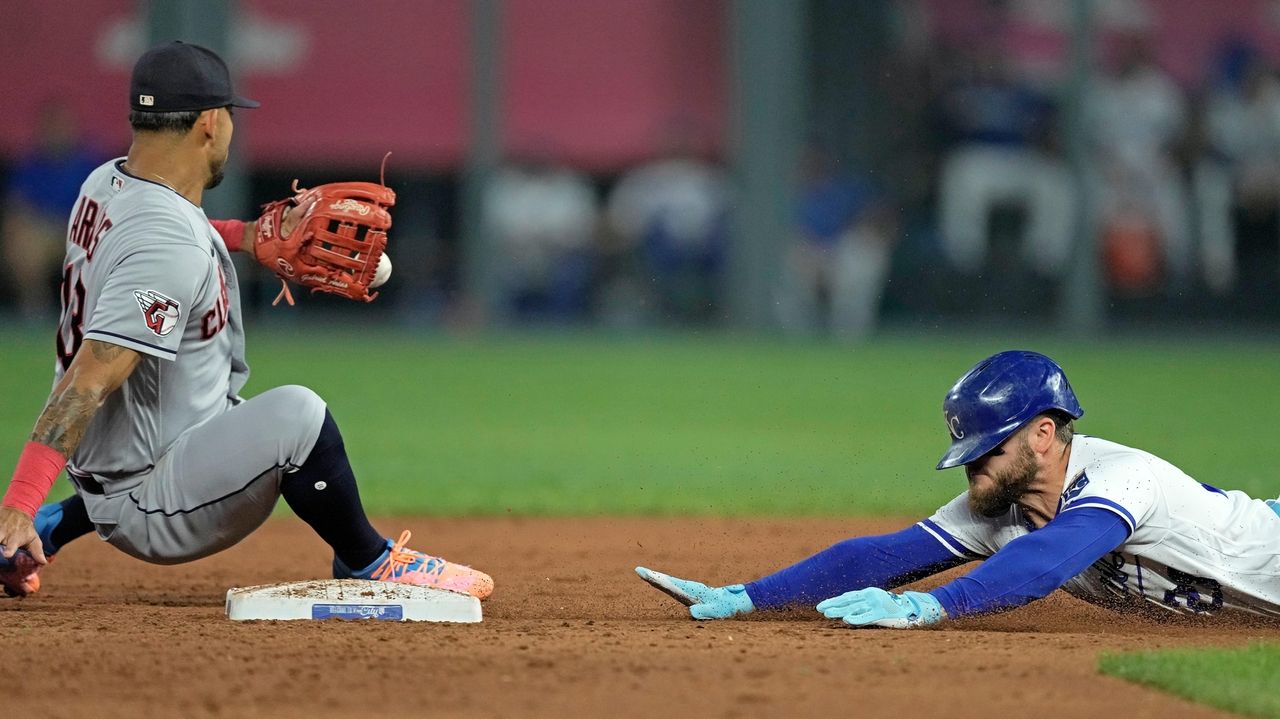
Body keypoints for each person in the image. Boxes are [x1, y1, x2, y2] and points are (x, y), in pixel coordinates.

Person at [0, 41, 493, 601]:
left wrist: (244, 238)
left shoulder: (106, 182)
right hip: (149, 497)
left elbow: (170, 233)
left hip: (117, 464)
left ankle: (54, 526)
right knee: (296, 417)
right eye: (232, 116)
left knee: (196, 396)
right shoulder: (167, 245)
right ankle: (367, 558)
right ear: (210, 122)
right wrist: (18, 503)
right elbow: (88, 380)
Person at [637, 350, 1280, 627]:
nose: (976, 470)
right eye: (968, 456)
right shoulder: (1003, 504)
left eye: (988, 451)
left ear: (1044, 434)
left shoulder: (1123, 478)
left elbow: (1042, 564)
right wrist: (748, 597)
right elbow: (882, 557)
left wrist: (933, 607)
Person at [2, 102, 103, 322]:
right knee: (23, 243)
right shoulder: (31, 164)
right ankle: (34, 308)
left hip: (79, 232)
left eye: (63, 126)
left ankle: (89, 311)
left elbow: (102, 207)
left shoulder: (89, 163)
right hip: (44, 233)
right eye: (53, 126)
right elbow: (17, 206)